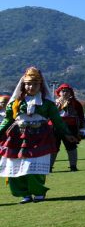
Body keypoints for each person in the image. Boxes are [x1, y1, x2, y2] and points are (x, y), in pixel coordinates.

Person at [0, 67, 78, 203]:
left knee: (33, 167)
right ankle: (24, 194)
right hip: (17, 137)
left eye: (35, 84)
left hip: (40, 137)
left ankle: (38, 192)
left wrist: (67, 134)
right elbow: (8, 120)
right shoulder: (15, 103)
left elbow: (57, 121)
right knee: (14, 165)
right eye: (28, 84)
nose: (31, 87)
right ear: (23, 85)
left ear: (40, 85)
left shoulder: (47, 104)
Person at [52, 83, 85, 171]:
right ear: (59, 92)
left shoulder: (76, 103)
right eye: (63, 91)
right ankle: (49, 167)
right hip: (55, 127)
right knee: (53, 147)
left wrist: (81, 127)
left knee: (71, 147)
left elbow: (81, 116)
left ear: (71, 92)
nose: (65, 93)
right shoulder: (53, 103)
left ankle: (73, 166)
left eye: (67, 91)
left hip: (71, 128)